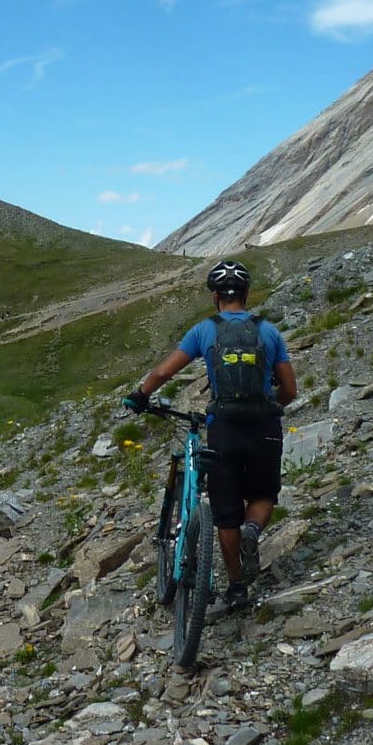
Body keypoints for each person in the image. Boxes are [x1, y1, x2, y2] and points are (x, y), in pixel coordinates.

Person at [123, 259, 296, 613]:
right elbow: (290, 390)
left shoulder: (204, 331)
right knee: (263, 496)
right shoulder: (268, 332)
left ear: (216, 297)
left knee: (226, 512)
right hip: (264, 428)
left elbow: (163, 372)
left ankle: (236, 587)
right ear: (246, 295)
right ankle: (254, 529)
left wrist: (140, 395)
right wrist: (269, 406)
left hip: (224, 428)